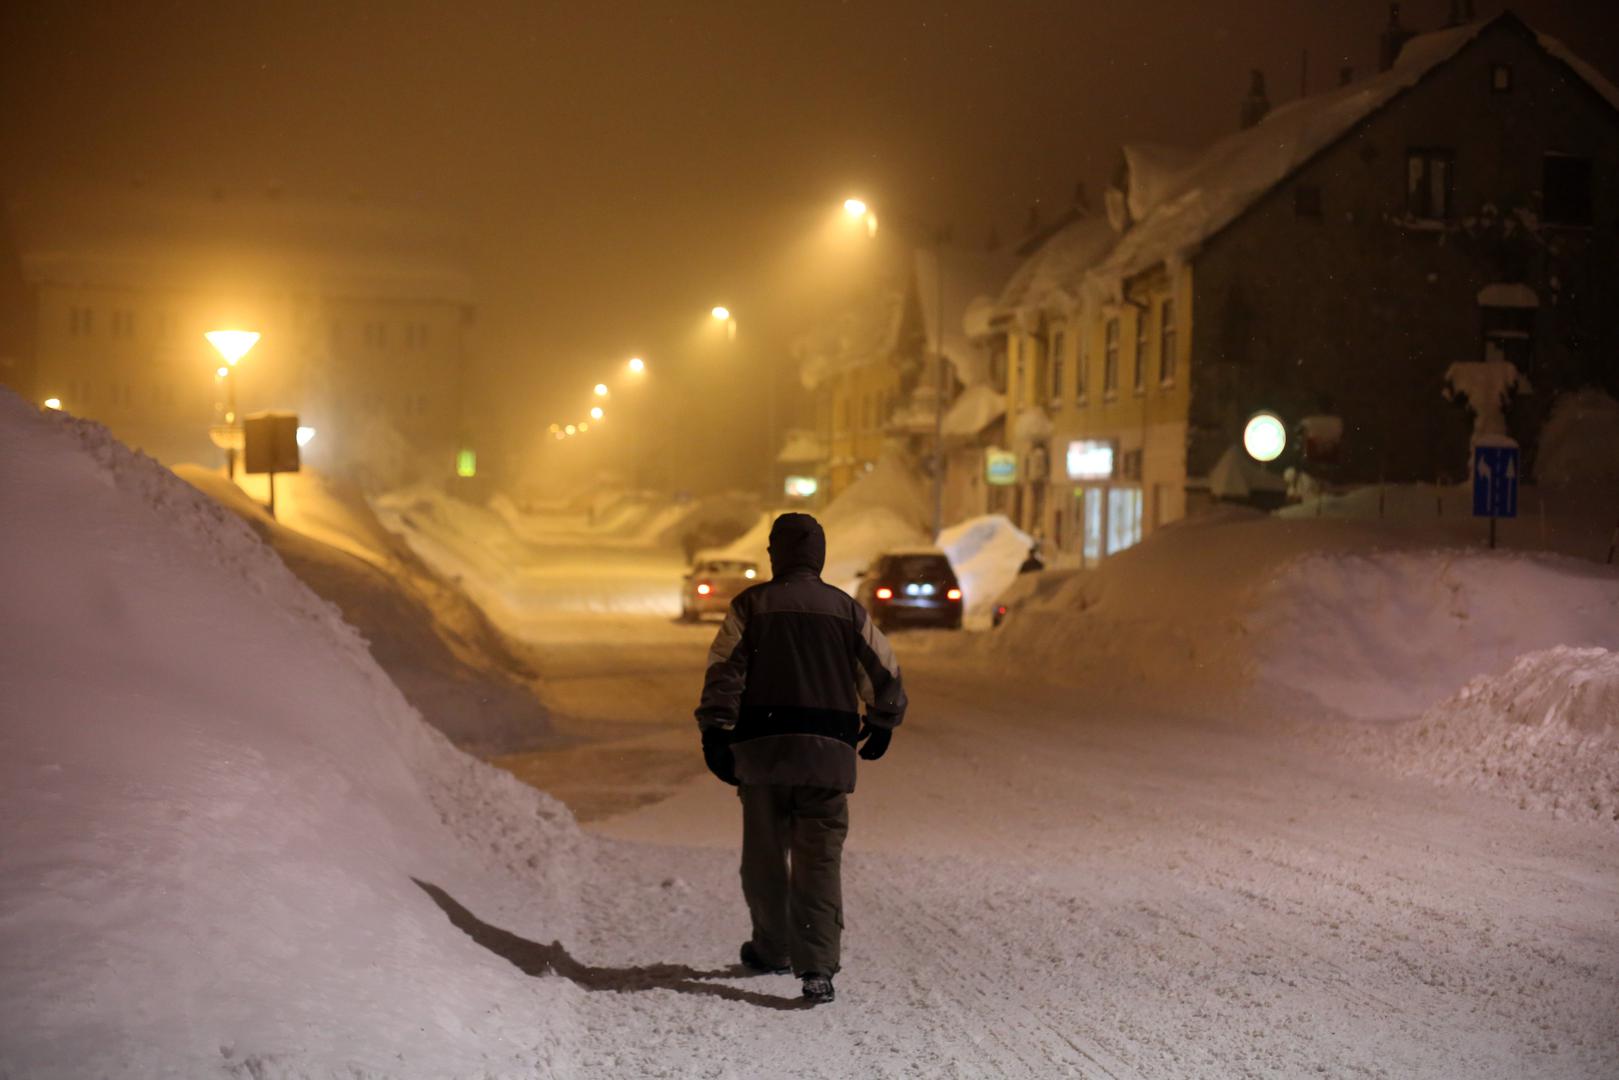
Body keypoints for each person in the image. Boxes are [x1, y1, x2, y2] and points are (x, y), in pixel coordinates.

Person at [694, 512, 907, 1005]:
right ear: (819, 556)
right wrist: (881, 722)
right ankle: (817, 968)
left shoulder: (751, 606)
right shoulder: (847, 611)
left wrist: (715, 731)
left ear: (776, 554)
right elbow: (885, 675)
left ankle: (772, 948)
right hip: (827, 760)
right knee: (819, 862)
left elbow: (725, 673)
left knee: (765, 860)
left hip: (762, 757)